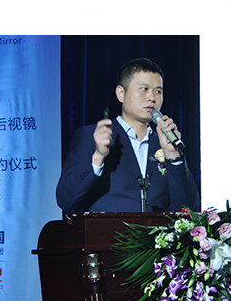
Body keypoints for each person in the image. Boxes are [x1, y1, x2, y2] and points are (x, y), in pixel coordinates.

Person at [56, 58, 200, 213]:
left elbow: (189, 211)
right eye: (144, 89)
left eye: (158, 91)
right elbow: (66, 200)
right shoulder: (92, 137)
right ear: (121, 94)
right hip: (106, 229)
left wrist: (174, 157)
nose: (152, 97)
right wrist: (97, 158)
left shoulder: (164, 143)